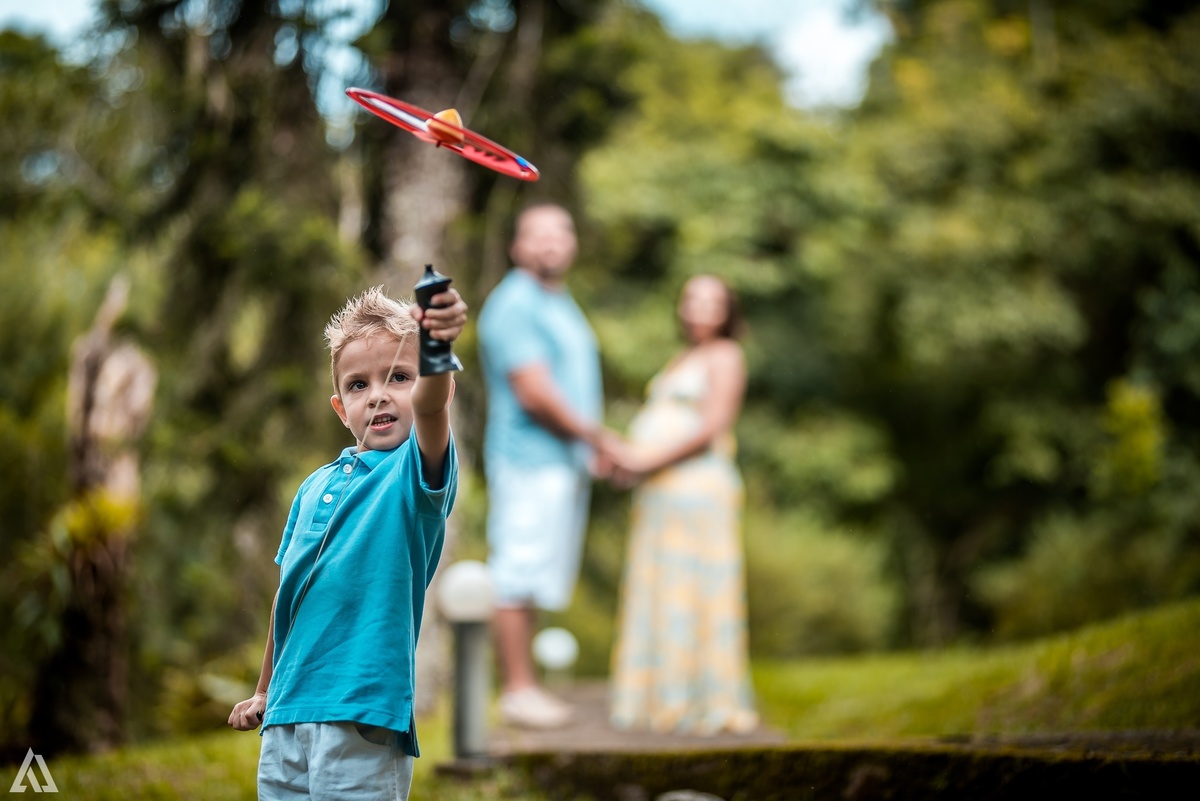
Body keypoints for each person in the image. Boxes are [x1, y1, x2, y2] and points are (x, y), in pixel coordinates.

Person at [228, 284, 467, 801]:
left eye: (398, 377)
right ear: (341, 408)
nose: (378, 394)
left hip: (363, 712)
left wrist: (436, 347)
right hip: (287, 715)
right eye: (359, 385)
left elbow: (430, 409)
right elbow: (288, 595)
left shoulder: (413, 476)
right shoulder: (312, 487)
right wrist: (264, 690)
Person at [477, 203, 613, 729]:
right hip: (527, 462)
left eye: (562, 231)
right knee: (517, 572)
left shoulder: (557, 301)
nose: (552, 241)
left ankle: (528, 686)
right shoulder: (515, 303)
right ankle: (517, 691)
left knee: (534, 578)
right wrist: (601, 440)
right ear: (517, 247)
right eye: (538, 233)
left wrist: (589, 449)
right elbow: (534, 393)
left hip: (561, 462)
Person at [608, 274, 759, 736]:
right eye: (692, 299)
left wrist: (645, 461)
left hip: (698, 494)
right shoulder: (683, 358)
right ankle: (662, 694)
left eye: (712, 301)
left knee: (694, 590)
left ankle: (699, 698)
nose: (699, 308)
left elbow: (710, 429)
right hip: (663, 498)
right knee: (664, 588)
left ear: (727, 312)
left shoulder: (727, 355)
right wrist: (629, 463)